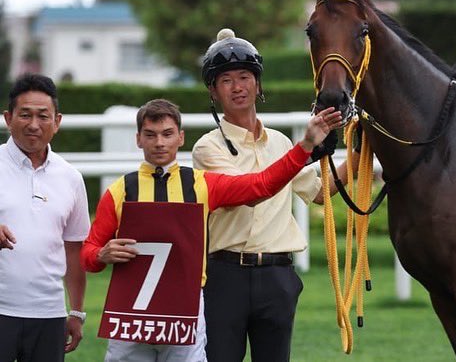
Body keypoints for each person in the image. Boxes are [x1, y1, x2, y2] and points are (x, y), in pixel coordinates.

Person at [80, 98, 340, 362]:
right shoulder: (118, 191)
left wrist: (306, 146)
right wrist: (101, 254)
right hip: (132, 315)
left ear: (180, 138)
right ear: (138, 139)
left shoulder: (202, 184)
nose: (159, 143)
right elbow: (87, 254)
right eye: (150, 135)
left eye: (167, 134)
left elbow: (261, 185)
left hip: (185, 311)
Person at [193, 29, 358, 362]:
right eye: (226, 80)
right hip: (226, 276)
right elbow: (251, 191)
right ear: (213, 91)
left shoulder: (282, 144)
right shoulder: (207, 147)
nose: (238, 87)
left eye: (244, 77)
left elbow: (319, 195)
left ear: (258, 83)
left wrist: (358, 152)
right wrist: (305, 148)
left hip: (277, 277)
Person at [0, 73, 90, 362]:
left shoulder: (71, 177)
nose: (34, 125)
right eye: (25, 115)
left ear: (58, 121)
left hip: (50, 315)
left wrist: (75, 311)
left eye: (43, 116)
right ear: (8, 118)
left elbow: (74, 250)